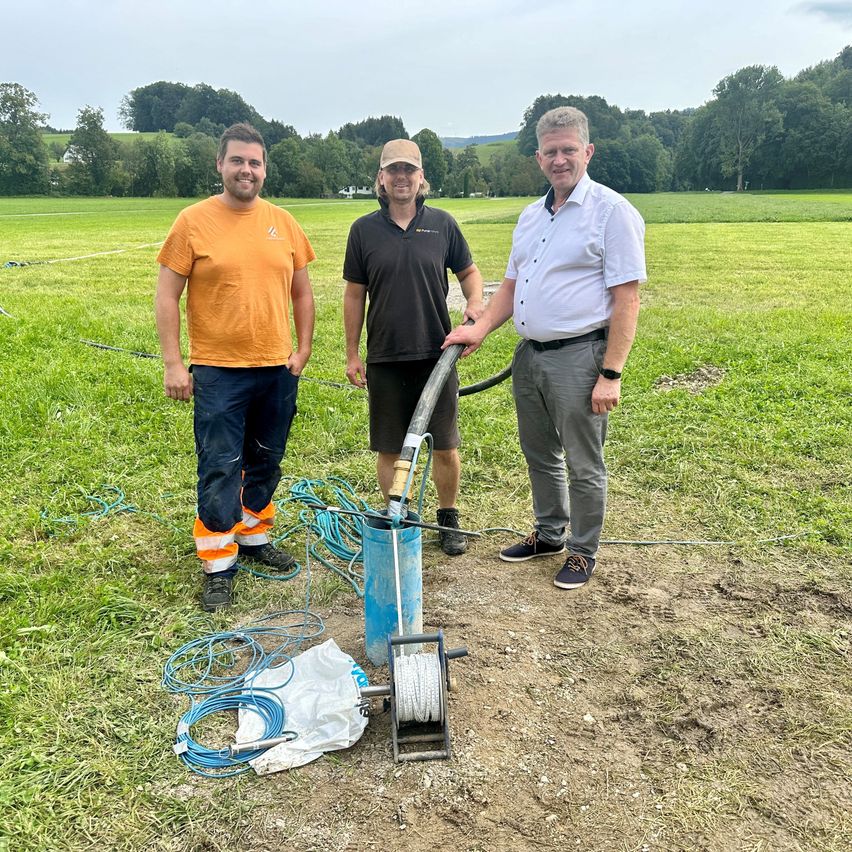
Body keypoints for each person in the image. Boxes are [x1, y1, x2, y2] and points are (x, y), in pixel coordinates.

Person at [444, 107, 645, 590]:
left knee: (583, 462)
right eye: (550, 151)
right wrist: (479, 329)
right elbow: (512, 286)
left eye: (568, 150)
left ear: (587, 152)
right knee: (540, 454)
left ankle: (582, 551)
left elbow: (627, 299)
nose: (559, 160)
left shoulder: (612, 212)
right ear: (538, 158)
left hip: (580, 356)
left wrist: (611, 373)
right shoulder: (532, 216)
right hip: (530, 357)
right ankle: (550, 534)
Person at [155, 123, 316, 611]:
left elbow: (302, 292)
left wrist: (303, 348)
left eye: (255, 162)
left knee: (266, 457)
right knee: (220, 464)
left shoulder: (284, 222)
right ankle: (218, 561)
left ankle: (253, 536)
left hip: (277, 367)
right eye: (238, 161)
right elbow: (167, 295)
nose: (247, 170)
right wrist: (174, 363)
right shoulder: (192, 221)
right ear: (220, 165)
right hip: (218, 370)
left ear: (265, 169)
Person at [343, 139, 484, 555]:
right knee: (389, 446)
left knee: (445, 444)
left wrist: (475, 303)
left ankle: (448, 517)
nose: (401, 177)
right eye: (393, 170)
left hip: (437, 356)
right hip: (385, 357)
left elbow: (469, 273)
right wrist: (352, 353)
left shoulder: (442, 224)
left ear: (421, 177)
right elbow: (354, 295)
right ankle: (398, 514)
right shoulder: (363, 230)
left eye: (409, 170)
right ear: (381, 179)